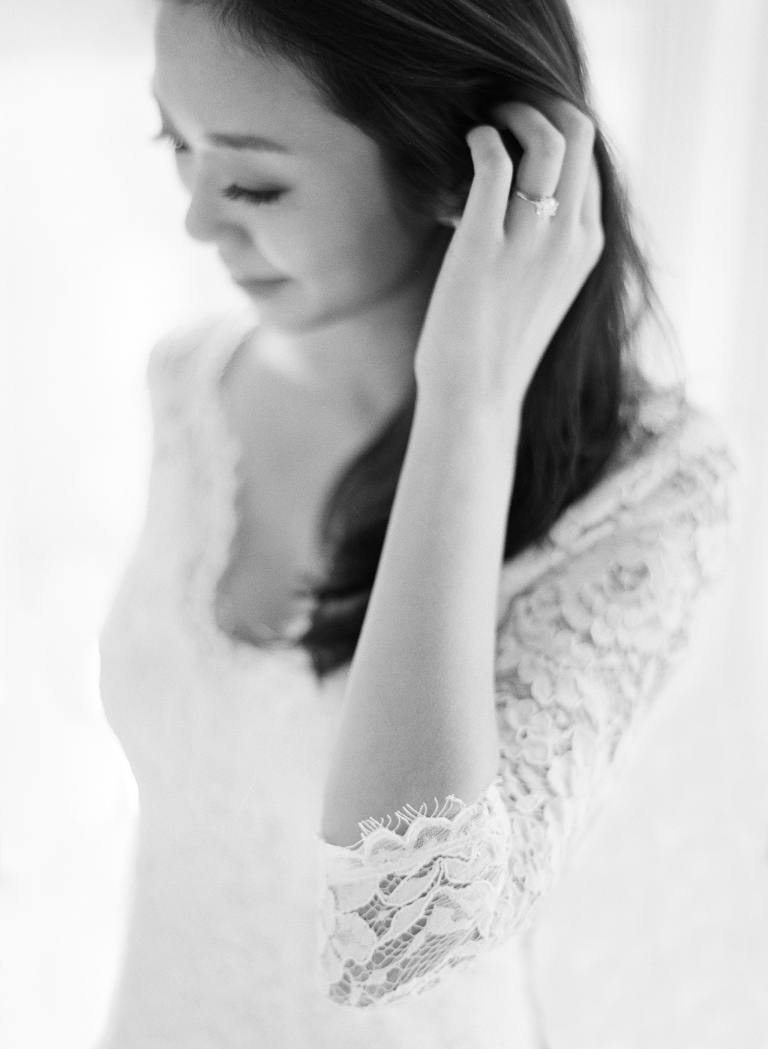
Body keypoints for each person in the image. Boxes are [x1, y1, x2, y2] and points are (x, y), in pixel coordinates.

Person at [96, 0, 739, 1045]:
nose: (198, 223)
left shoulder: (654, 489)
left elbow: (401, 930)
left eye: (254, 181)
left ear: (462, 169)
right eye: (176, 143)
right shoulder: (191, 383)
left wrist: (468, 400)